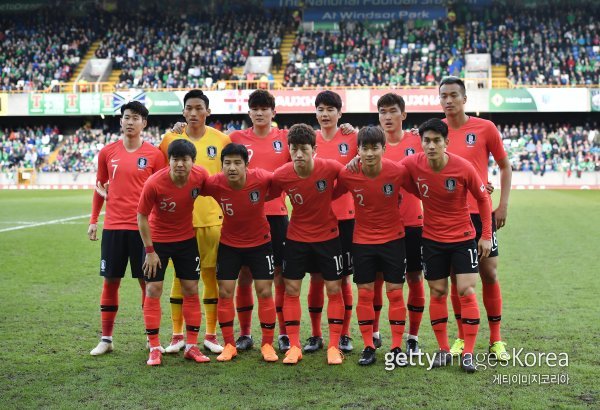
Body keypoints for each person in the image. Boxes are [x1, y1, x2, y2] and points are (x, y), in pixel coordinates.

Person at [401, 118, 493, 373]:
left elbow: (483, 199)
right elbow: (390, 171)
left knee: (466, 290)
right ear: (421, 143)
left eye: (436, 141)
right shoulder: (412, 163)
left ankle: (468, 354)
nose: (431, 146)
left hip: (463, 238)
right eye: (426, 141)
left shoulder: (463, 167)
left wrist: (486, 235)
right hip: (432, 240)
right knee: (438, 292)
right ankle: (443, 349)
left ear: (446, 142)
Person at [439, 76, 512, 362]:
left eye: (453, 95)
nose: (448, 100)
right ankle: (461, 337)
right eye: (444, 96)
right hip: (450, 217)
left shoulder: (485, 128)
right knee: (456, 277)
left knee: (489, 272)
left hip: (481, 214)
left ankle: (496, 340)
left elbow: (505, 166)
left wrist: (502, 204)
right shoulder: (436, 132)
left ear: (464, 99)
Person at [88, 101, 166, 356]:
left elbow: (162, 191)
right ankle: (106, 339)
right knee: (111, 281)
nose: (130, 122)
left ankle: (151, 338)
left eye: (135, 118)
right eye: (126, 117)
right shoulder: (107, 152)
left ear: (144, 123)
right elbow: (99, 187)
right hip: (113, 227)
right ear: (121, 121)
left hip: (143, 229)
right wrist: (93, 220)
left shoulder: (155, 155)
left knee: (147, 283)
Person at [159, 90, 231, 355]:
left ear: (208, 111)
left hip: (213, 220)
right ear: (183, 112)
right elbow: (159, 175)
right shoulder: (170, 139)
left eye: (199, 108)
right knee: (180, 279)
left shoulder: (222, 140)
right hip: (180, 223)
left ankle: (210, 335)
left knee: (212, 278)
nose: (193, 113)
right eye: (189, 108)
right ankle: (177, 335)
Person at [336, 126, 414, 366]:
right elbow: (328, 193)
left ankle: (397, 347)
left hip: (393, 240)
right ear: (358, 150)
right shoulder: (348, 174)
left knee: (395, 293)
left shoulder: (398, 171)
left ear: (384, 148)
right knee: (365, 294)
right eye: (365, 148)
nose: (369, 153)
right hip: (362, 242)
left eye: (374, 148)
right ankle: (368, 346)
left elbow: (424, 188)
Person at [271, 123, 346, 365]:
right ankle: (294, 346)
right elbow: (266, 191)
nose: (299, 154)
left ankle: (333, 346)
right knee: (291, 290)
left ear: (314, 149)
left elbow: (348, 181)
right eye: (294, 149)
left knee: (333, 289)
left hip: (328, 237)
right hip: (296, 239)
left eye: (304, 149)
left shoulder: (331, 167)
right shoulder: (282, 174)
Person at [200, 143, 278, 363]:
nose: (232, 168)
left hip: (260, 243)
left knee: (264, 291)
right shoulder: (214, 183)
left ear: (247, 165)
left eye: (237, 163)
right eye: (227, 163)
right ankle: (229, 345)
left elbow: (282, 183)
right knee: (225, 293)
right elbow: (192, 184)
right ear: (221, 165)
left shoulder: (261, 178)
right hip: (229, 245)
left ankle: (267, 344)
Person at [228, 90, 291, 353]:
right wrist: (180, 127)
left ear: (273, 112)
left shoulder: (286, 138)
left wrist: (347, 127)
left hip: (276, 216)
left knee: (280, 276)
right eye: (255, 108)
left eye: (265, 108)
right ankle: (245, 334)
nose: (260, 113)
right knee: (245, 275)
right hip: (244, 218)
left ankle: (284, 333)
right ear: (249, 112)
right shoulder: (235, 138)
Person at [137, 139, 210, 366]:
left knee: (191, 289)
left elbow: (220, 189)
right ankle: (154, 347)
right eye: (175, 159)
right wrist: (150, 251)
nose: (179, 164)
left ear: (193, 161)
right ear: (168, 161)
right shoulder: (154, 183)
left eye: (184, 160)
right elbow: (141, 216)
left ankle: (191, 346)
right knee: (153, 289)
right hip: (158, 242)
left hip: (186, 241)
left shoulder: (200, 176)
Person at [305, 90, 357, 354]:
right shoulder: (308, 140)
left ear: (339, 113)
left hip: (345, 219)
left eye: (330, 109)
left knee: (343, 280)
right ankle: (315, 335)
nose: (325, 114)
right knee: (316, 278)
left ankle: (345, 334)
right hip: (314, 220)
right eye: (320, 109)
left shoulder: (352, 138)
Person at [375, 93, 426, 354]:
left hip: (412, 223)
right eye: (382, 112)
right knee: (377, 279)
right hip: (379, 225)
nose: (387, 117)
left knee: (414, 277)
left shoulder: (418, 141)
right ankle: (374, 333)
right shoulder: (371, 143)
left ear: (403, 114)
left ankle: (413, 337)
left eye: (392, 111)